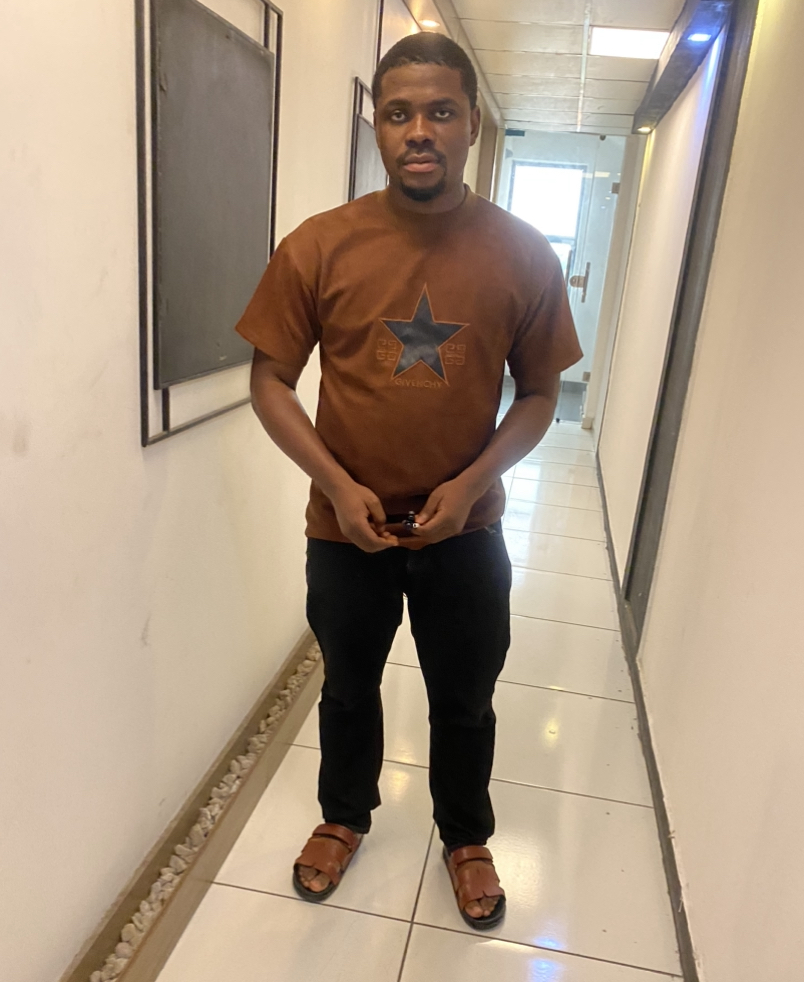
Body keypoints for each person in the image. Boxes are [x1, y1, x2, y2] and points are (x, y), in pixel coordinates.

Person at [235, 31, 582, 930]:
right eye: (398, 113)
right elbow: (270, 381)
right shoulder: (320, 245)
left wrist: (470, 486)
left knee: (465, 697)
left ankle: (465, 837)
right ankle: (344, 816)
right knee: (348, 685)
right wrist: (334, 484)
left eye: (439, 112)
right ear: (378, 125)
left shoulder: (523, 255)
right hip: (344, 528)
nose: (418, 130)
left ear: (471, 126)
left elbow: (540, 395)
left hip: (466, 531)